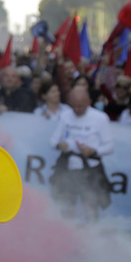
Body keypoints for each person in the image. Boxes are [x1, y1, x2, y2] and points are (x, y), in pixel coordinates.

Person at [48, 87, 115, 223]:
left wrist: (94, 151)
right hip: (69, 167)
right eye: (74, 106)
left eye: (81, 106)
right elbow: (53, 141)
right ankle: (68, 236)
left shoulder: (100, 118)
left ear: (89, 102)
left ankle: (92, 236)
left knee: (90, 206)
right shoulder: (66, 116)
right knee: (66, 206)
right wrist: (60, 145)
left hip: (90, 168)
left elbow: (110, 146)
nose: (77, 110)